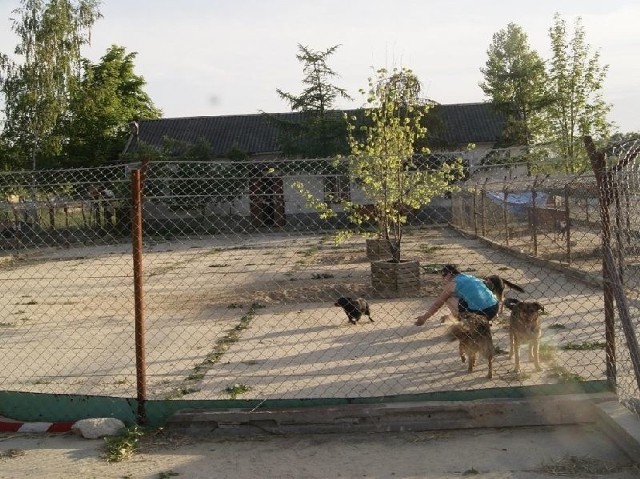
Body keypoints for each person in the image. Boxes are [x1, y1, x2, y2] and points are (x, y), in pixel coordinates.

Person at [415, 264, 499, 326]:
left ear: (449, 274)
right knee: (463, 296)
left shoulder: (452, 283)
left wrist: (424, 318)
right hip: (494, 308)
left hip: (480, 313)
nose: (443, 279)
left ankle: (461, 320)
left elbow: (437, 304)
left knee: (448, 298)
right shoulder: (468, 276)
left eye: (444, 276)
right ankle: (480, 321)